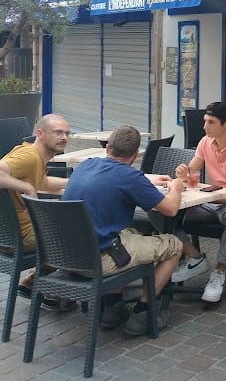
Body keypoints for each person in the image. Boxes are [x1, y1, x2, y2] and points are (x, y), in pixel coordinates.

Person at [62, 125, 184, 335]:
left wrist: (145, 180)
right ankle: (143, 312)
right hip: (98, 260)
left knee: (130, 235)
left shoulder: (86, 166)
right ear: (136, 155)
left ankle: (113, 306)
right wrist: (177, 187)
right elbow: (171, 209)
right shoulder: (129, 177)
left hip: (65, 256)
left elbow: (114, 178)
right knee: (174, 245)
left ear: (107, 147)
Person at [158, 101, 226, 303]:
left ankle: (219, 272)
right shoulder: (205, 143)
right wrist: (183, 173)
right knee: (164, 212)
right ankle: (195, 258)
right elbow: (191, 172)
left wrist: (208, 195)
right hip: (209, 202)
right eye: (205, 121)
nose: (205, 127)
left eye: (210, 122)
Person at [0, 114, 75, 310]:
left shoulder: (34, 156)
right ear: (40, 134)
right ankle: (53, 292)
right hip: (20, 236)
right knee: (81, 236)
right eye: (58, 132)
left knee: (68, 226)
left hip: (13, 233)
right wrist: (27, 188)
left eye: (67, 133)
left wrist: (76, 182)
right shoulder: (29, 156)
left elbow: (43, 183)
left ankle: (31, 284)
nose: (64, 137)